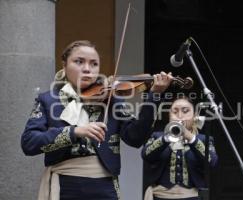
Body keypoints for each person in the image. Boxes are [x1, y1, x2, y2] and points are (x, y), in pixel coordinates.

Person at [21, 40, 173, 200]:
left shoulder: (111, 100)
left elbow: (135, 138)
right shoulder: (48, 100)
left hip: (105, 188)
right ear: (64, 65)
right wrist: (74, 131)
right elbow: (29, 143)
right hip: (65, 187)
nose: (87, 69)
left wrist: (154, 95)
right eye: (79, 62)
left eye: (94, 64)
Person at [142, 96, 218, 200]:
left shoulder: (204, 139)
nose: (180, 116)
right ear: (169, 115)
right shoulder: (157, 136)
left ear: (195, 116)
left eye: (185, 111)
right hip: (160, 196)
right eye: (175, 112)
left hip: (192, 197)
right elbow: (146, 155)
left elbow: (212, 162)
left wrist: (191, 138)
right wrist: (166, 138)